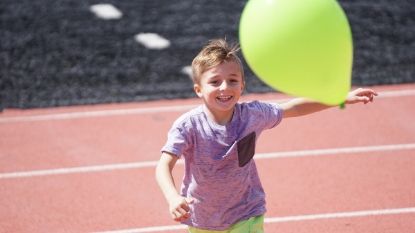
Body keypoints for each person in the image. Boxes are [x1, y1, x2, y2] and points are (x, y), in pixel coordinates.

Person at [155, 38, 377, 232]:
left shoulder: (253, 115)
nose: (225, 87)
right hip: (202, 216)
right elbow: (164, 165)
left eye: (232, 80)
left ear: (242, 85)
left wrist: (339, 97)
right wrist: (173, 197)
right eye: (214, 81)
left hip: (246, 212)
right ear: (198, 89)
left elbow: (294, 108)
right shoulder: (188, 126)